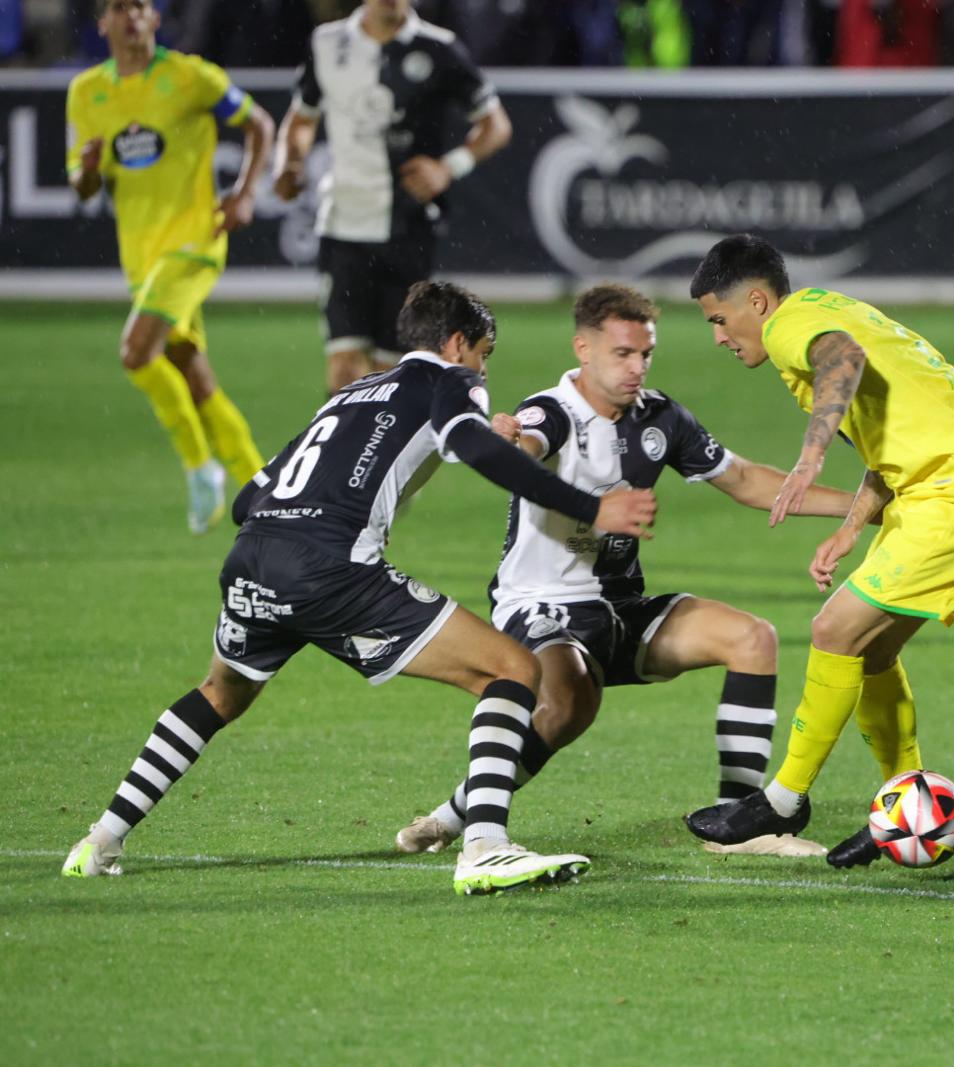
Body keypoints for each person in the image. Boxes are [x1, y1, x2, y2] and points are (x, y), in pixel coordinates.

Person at [62, 281, 659, 896]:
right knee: (511, 668)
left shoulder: (352, 393)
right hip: (331, 568)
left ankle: (100, 840)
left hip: (253, 557)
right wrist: (592, 506)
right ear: (457, 344)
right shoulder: (450, 381)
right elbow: (473, 447)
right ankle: (484, 846)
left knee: (219, 694)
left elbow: (247, 500)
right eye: (484, 354)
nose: (484, 370)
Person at [395, 284, 862, 859]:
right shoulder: (552, 411)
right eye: (623, 354)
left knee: (752, 638)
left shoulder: (660, 417)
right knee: (568, 704)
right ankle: (458, 819)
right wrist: (512, 441)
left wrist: (863, 506)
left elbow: (745, 481)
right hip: (542, 605)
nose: (637, 367)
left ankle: (742, 824)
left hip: (619, 610)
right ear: (584, 350)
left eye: (645, 353)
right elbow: (527, 442)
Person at [682, 234, 954, 868]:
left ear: (756, 302)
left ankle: (783, 801)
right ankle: (905, 802)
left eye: (719, 319)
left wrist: (809, 457)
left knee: (833, 629)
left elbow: (842, 360)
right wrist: (851, 525)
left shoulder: (790, 327)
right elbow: (896, 427)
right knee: (870, 650)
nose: (719, 337)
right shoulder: (830, 306)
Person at [66, 0, 274, 534]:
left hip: (195, 242)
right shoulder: (87, 91)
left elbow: (259, 123)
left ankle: (199, 465)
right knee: (191, 375)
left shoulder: (190, 76)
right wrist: (86, 171)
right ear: (103, 23)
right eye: (120, 7)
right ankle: (267, 496)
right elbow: (83, 186)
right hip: (141, 255)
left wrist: (245, 193)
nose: (132, 15)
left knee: (136, 353)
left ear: (155, 19)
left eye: (140, 6)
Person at [271, 0, 513, 395]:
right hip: (343, 225)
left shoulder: (439, 48)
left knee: (391, 375)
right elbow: (301, 118)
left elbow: (496, 124)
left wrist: (447, 167)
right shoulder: (327, 43)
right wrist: (290, 162)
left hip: (409, 229)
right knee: (345, 370)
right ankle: (345, 436)